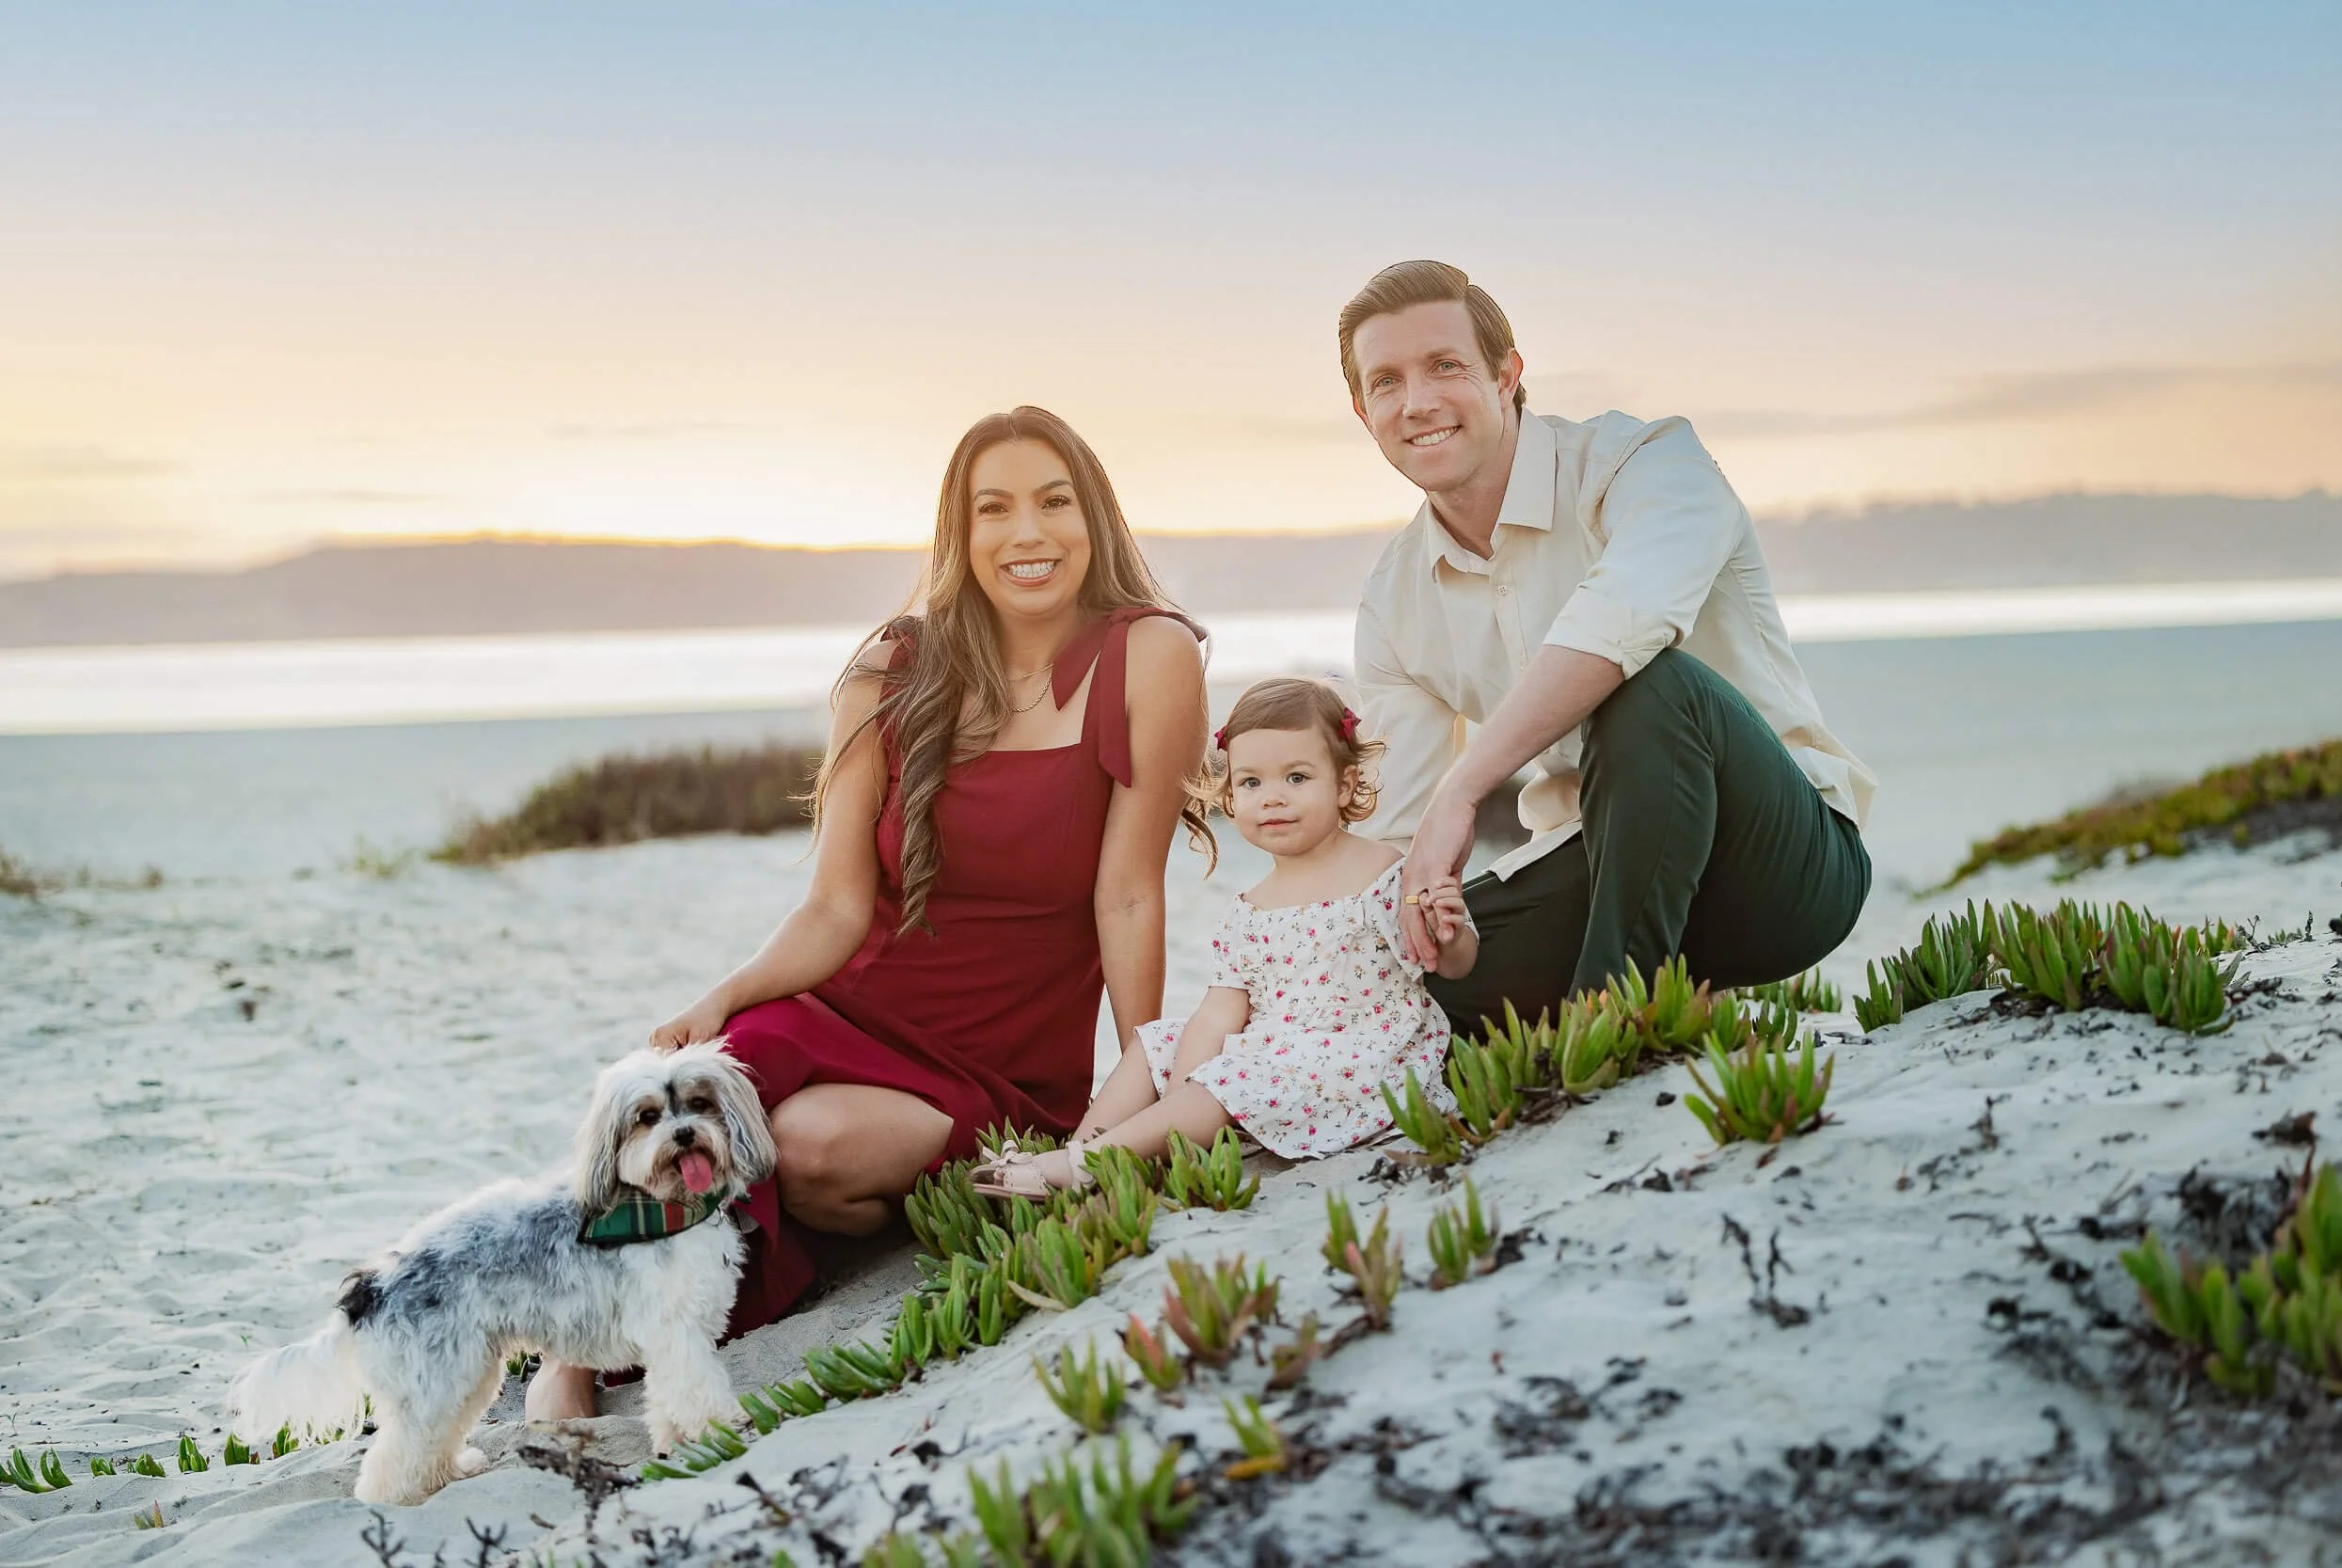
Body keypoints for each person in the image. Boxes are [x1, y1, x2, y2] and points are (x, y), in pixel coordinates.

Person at [526, 406, 1209, 1422]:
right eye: (995, 508)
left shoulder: (1150, 655)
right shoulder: (888, 668)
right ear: (959, 532)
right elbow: (838, 905)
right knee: (702, 1102)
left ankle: (792, 1243)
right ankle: (571, 1346)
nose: (1028, 533)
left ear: (1094, 515)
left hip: (1000, 1060)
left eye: (1053, 502)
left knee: (806, 1148)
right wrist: (724, 993)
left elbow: (1128, 889)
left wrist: (1134, 1074)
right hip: (843, 1008)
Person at [1339, 260, 1876, 1037]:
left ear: (1506, 373)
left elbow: (1621, 622)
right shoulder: (1394, 600)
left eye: (1445, 366)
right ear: (1363, 411)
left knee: (1650, 687)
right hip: (1596, 879)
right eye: (1386, 381)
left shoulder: (1650, 462)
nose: (1417, 402)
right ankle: (1643, 1012)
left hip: (1779, 870)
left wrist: (1466, 786)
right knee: (1404, 973)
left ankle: (1609, 1030)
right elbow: (1395, 834)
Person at [972, 677, 1476, 1197]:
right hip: (1275, 1053)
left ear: (1345, 785)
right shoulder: (1249, 910)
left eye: (1297, 778)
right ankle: (1085, 1155)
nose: (1273, 798)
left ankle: (1088, 1162)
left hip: (1359, 1058)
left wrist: (1450, 930)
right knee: (1156, 1042)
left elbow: (1454, 965)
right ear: (1231, 797)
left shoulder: (1386, 873)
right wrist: (1182, 1094)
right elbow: (1217, 1014)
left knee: (1230, 1078)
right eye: (1251, 783)